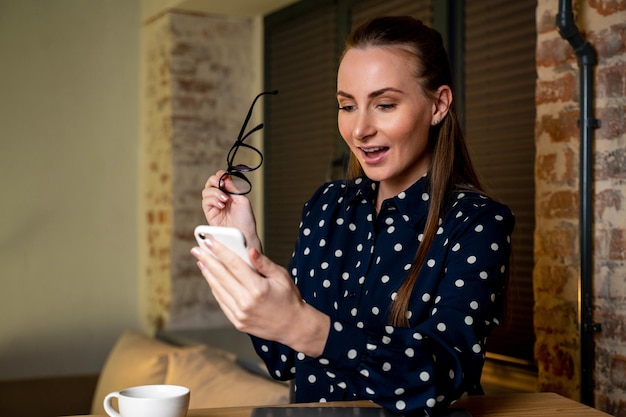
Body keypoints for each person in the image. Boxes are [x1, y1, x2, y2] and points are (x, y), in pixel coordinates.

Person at [191, 15, 515, 415]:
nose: (359, 129)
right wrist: (245, 247)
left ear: (438, 104)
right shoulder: (326, 206)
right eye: (347, 105)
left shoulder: (477, 223)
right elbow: (282, 360)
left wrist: (306, 328)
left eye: (384, 104)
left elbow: (442, 375)